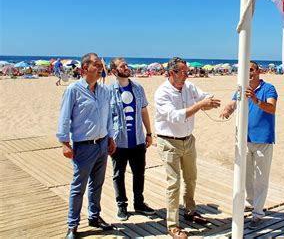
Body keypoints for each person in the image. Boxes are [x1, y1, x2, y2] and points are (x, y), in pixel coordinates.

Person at [154, 57, 221, 239]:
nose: (186, 75)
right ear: (171, 73)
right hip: (169, 142)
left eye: (187, 71)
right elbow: (175, 116)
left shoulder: (189, 86)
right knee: (173, 183)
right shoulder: (162, 93)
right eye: (182, 72)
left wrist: (210, 101)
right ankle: (172, 225)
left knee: (191, 178)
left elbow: (204, 96)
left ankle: (190, 211)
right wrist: (200, 105)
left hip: (188, 140)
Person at [57, 53, 116, 239]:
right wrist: (65, 143)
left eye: (101, 65)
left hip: (102, 143)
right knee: (78, 186)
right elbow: (64, 118)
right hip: (83, 146)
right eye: (96, 65)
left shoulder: (104, 91)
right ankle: (72, 225)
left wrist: (111, 138)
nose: (100, 68)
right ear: (84, 69)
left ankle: (94, 216)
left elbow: (108, 117)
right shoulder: (73, 90)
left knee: (97, 184)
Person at [220, 61, 278, 229]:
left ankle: (258, 213)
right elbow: (233, 103)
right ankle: (251, 203)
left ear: (258, 71)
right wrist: (227, 110)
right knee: (245, 174)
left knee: (261, 178)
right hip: (244, 139)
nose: (249, 73)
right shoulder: (241, 88)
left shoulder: (269, 88)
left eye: (251, 70)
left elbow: (272, 108)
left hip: (263, 140)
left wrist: (255, 99)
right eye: (246, 70)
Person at [109, 58, 155, 221]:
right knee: (118, 174)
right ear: (114, 71)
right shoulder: (109, 91)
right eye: (123, 66)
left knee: (139, 173)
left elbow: (144, 111)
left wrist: (149, 133)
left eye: (127, 65)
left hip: (137, 140)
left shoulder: (137, 88)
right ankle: (122, 205)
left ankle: (139, 203)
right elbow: (106, 118)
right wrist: (109, 139)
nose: (127, 68)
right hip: (118, 141)